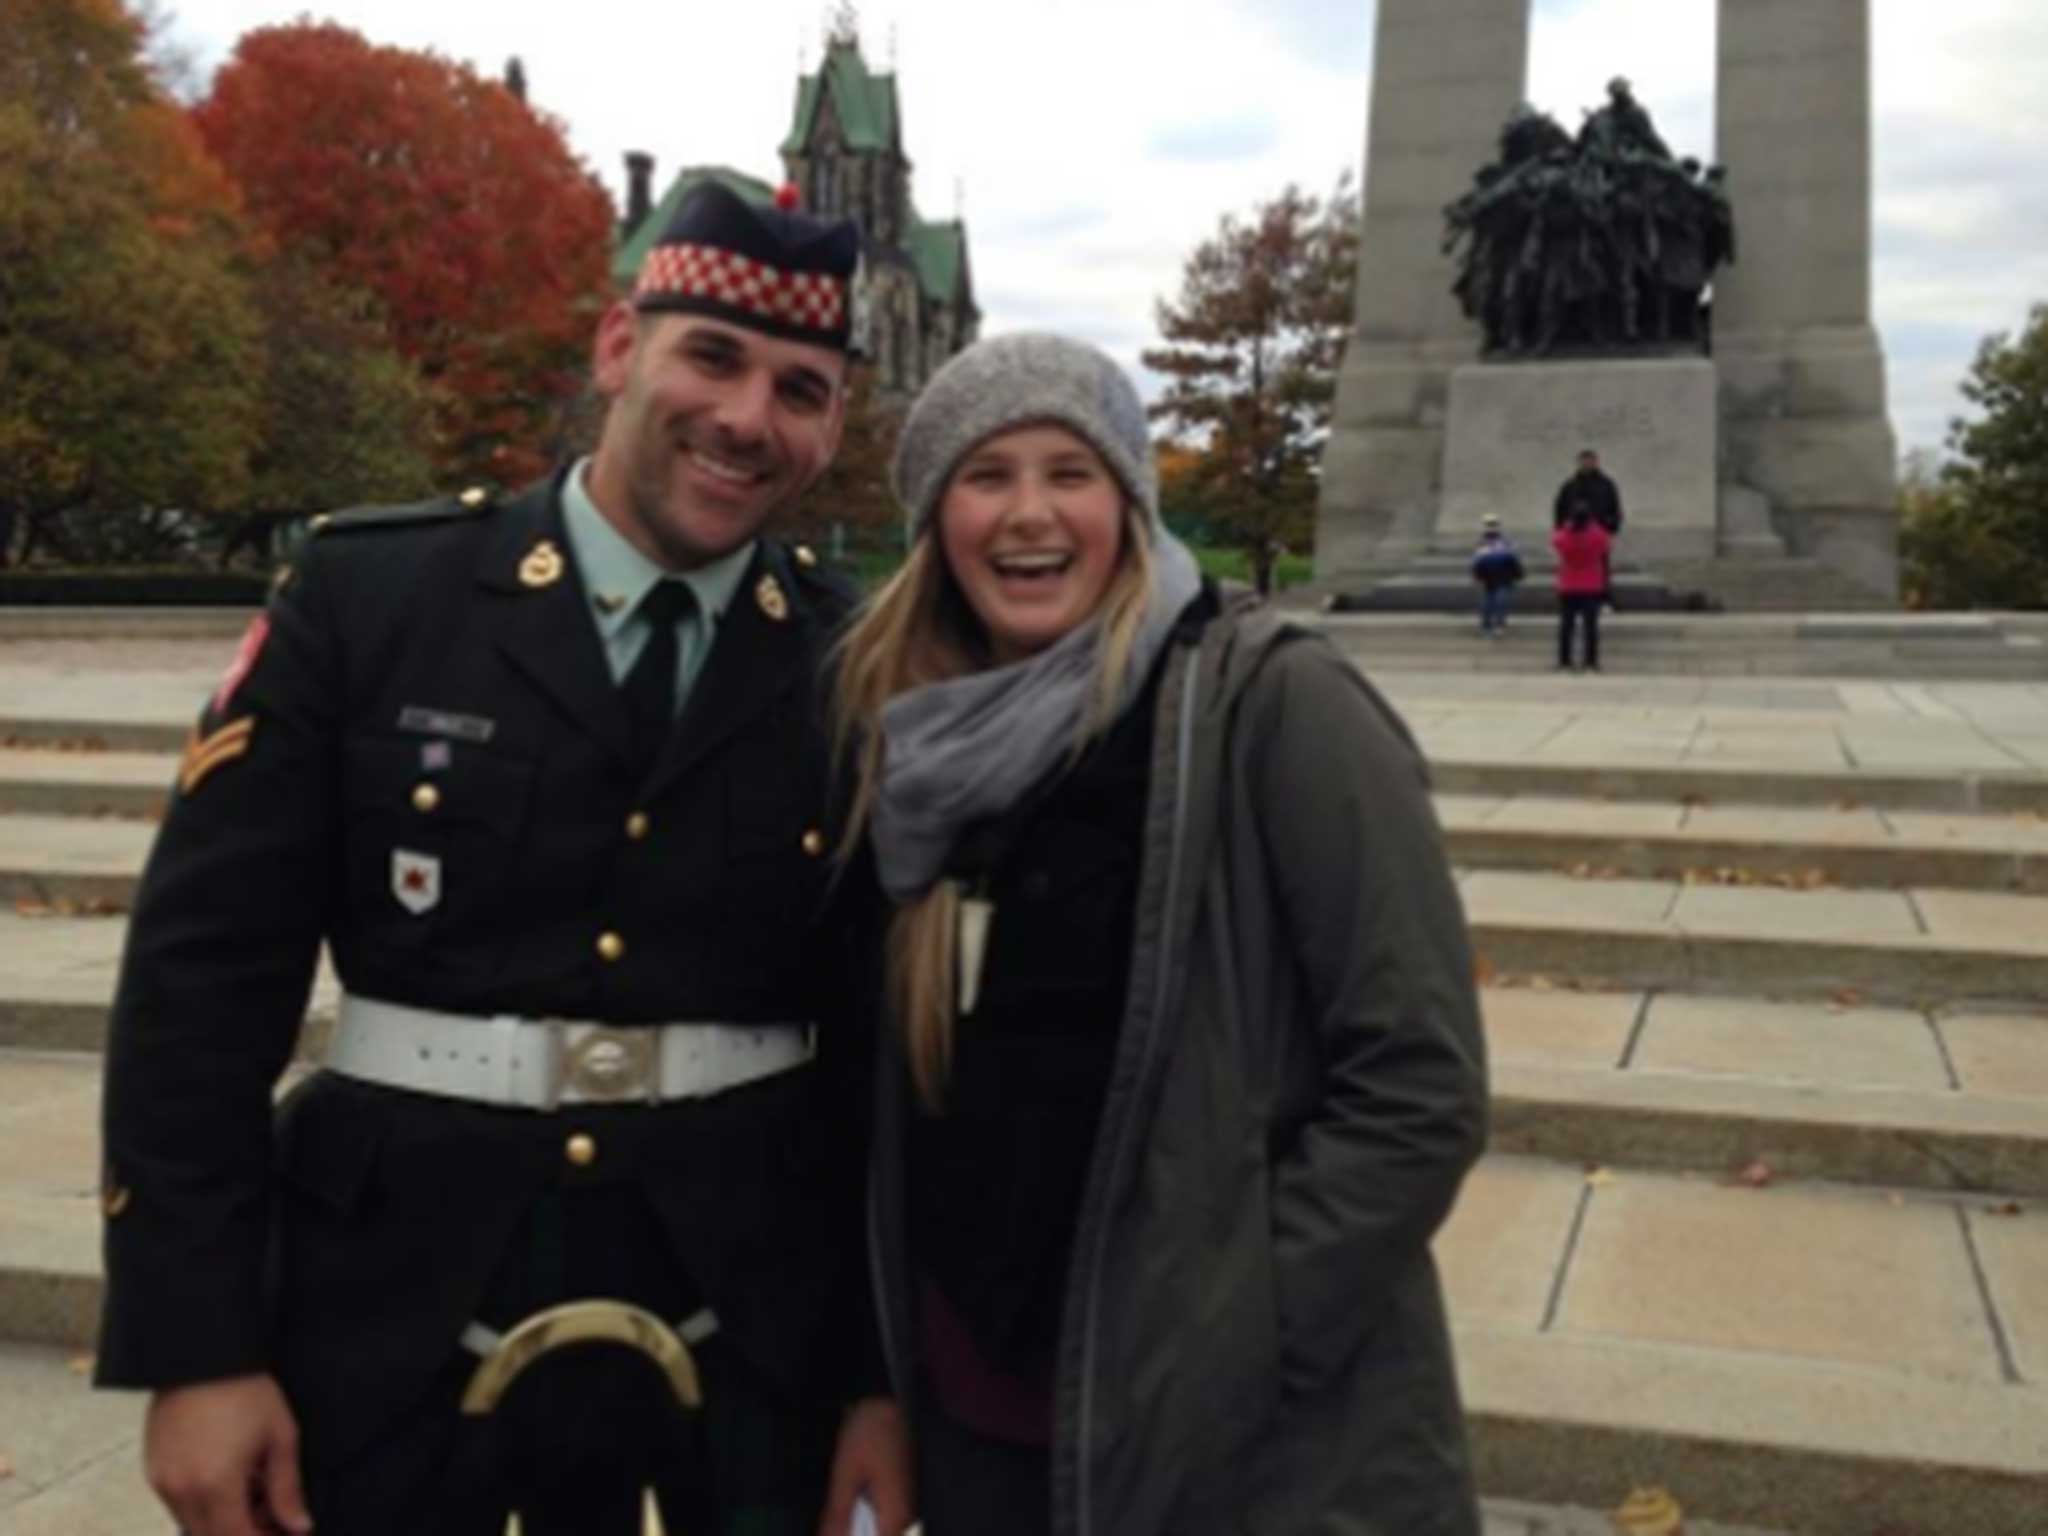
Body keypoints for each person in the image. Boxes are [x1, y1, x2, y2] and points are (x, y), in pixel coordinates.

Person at [94, 182, 910, 1536]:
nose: (749, 420)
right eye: (711, 356)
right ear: (616, 349)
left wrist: (884, 1385)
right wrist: (197, 1349)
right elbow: (200, 994)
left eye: (803, 389)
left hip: (753, 1323)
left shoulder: (860, 659)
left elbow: (888, 1057)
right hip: (394, 1301)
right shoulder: (372, 598)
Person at [832, 333, 1489, 1534]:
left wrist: (1244, 1334)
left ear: (1128, 504)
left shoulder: (1277, 703)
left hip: (1232, 1452)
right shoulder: (913, 746)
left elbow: (1417, 1083)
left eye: (1068, 473)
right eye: (985, 476)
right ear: (936, 520)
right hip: (982, 1433)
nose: (1028, 514)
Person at [1553, 498, 1612, 673]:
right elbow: (1606, 544)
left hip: (1569, 584)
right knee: (1591, 627)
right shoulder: (1597, 535)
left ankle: (1564, 661)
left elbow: (1556, 541)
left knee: (1566, 626)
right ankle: (1591, 662)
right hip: (1591, 585)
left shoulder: (1565, 536)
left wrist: (1567, 526)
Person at [1469, 513, 1524, 637]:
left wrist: (1517, 573)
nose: (1491, 527)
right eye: (1489, 524)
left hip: (1501, 576)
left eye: (1493, 524)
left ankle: (1496, 624)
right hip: (1491, 576)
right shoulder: (1482, 543)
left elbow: (1512, 558)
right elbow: (1477, 561)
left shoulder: (1503, 542)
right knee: (1491, 601)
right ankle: (1490, 625)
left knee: (1499, 601)